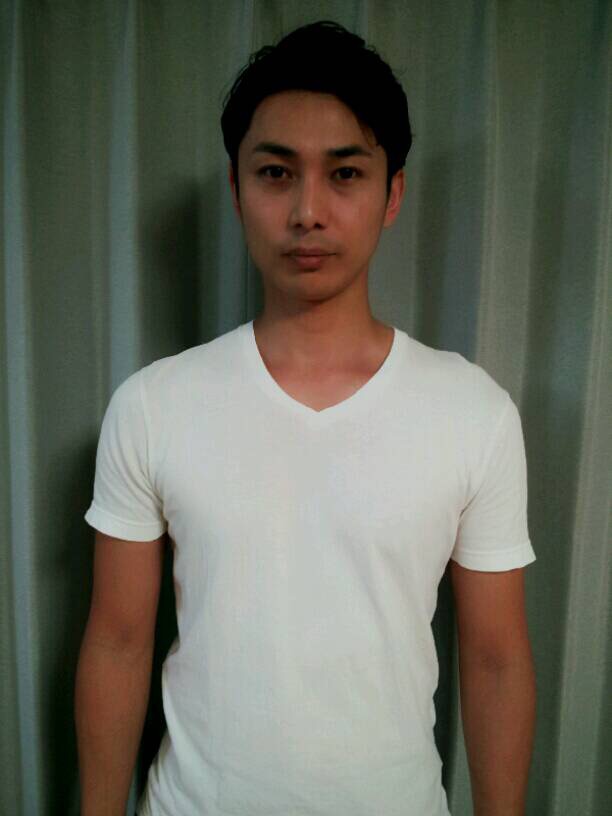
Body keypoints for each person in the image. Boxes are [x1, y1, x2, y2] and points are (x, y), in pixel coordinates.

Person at [75, 19, 536, 816]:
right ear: (236, 189)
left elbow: (496, 662)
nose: (308, 211)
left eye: (345, 173)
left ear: (393, 194)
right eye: (276, 173)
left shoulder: (474, 414)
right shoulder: (152, 406)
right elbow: (117, 644)